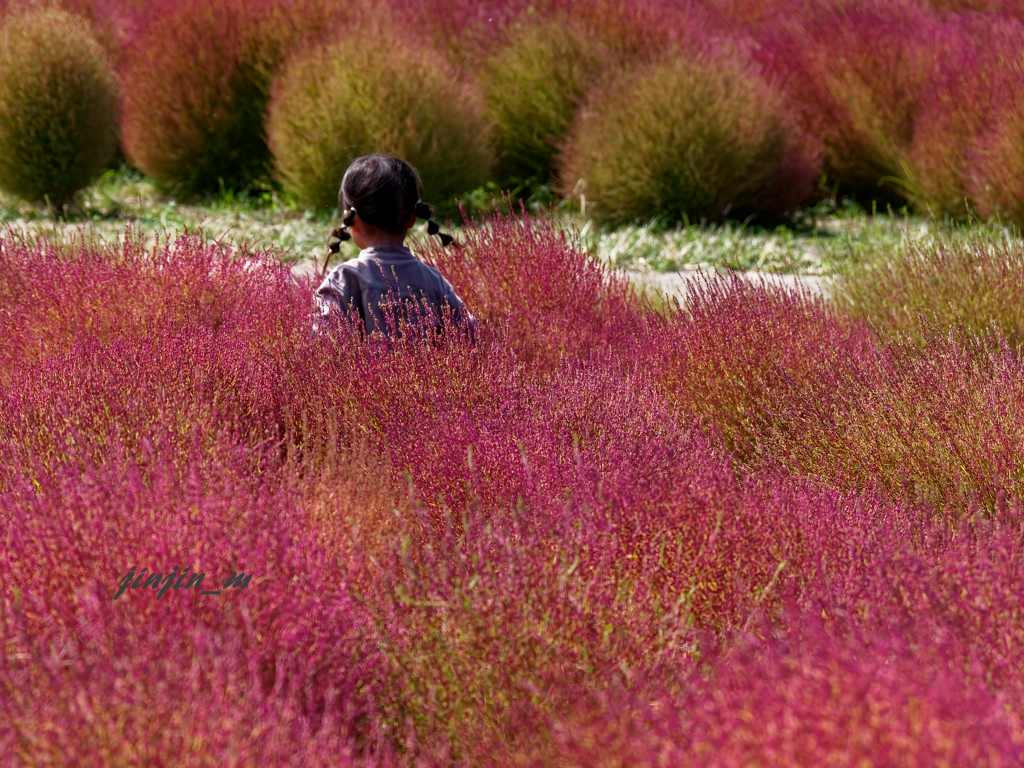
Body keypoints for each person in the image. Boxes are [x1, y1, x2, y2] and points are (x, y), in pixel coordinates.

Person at [313, 154, 476, 341]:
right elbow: (469, 334)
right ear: (413, 218)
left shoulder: (345, 280)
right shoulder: (433, 280)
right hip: (426, 371)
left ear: (351, 220)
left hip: (364, 371)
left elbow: (323, 347)